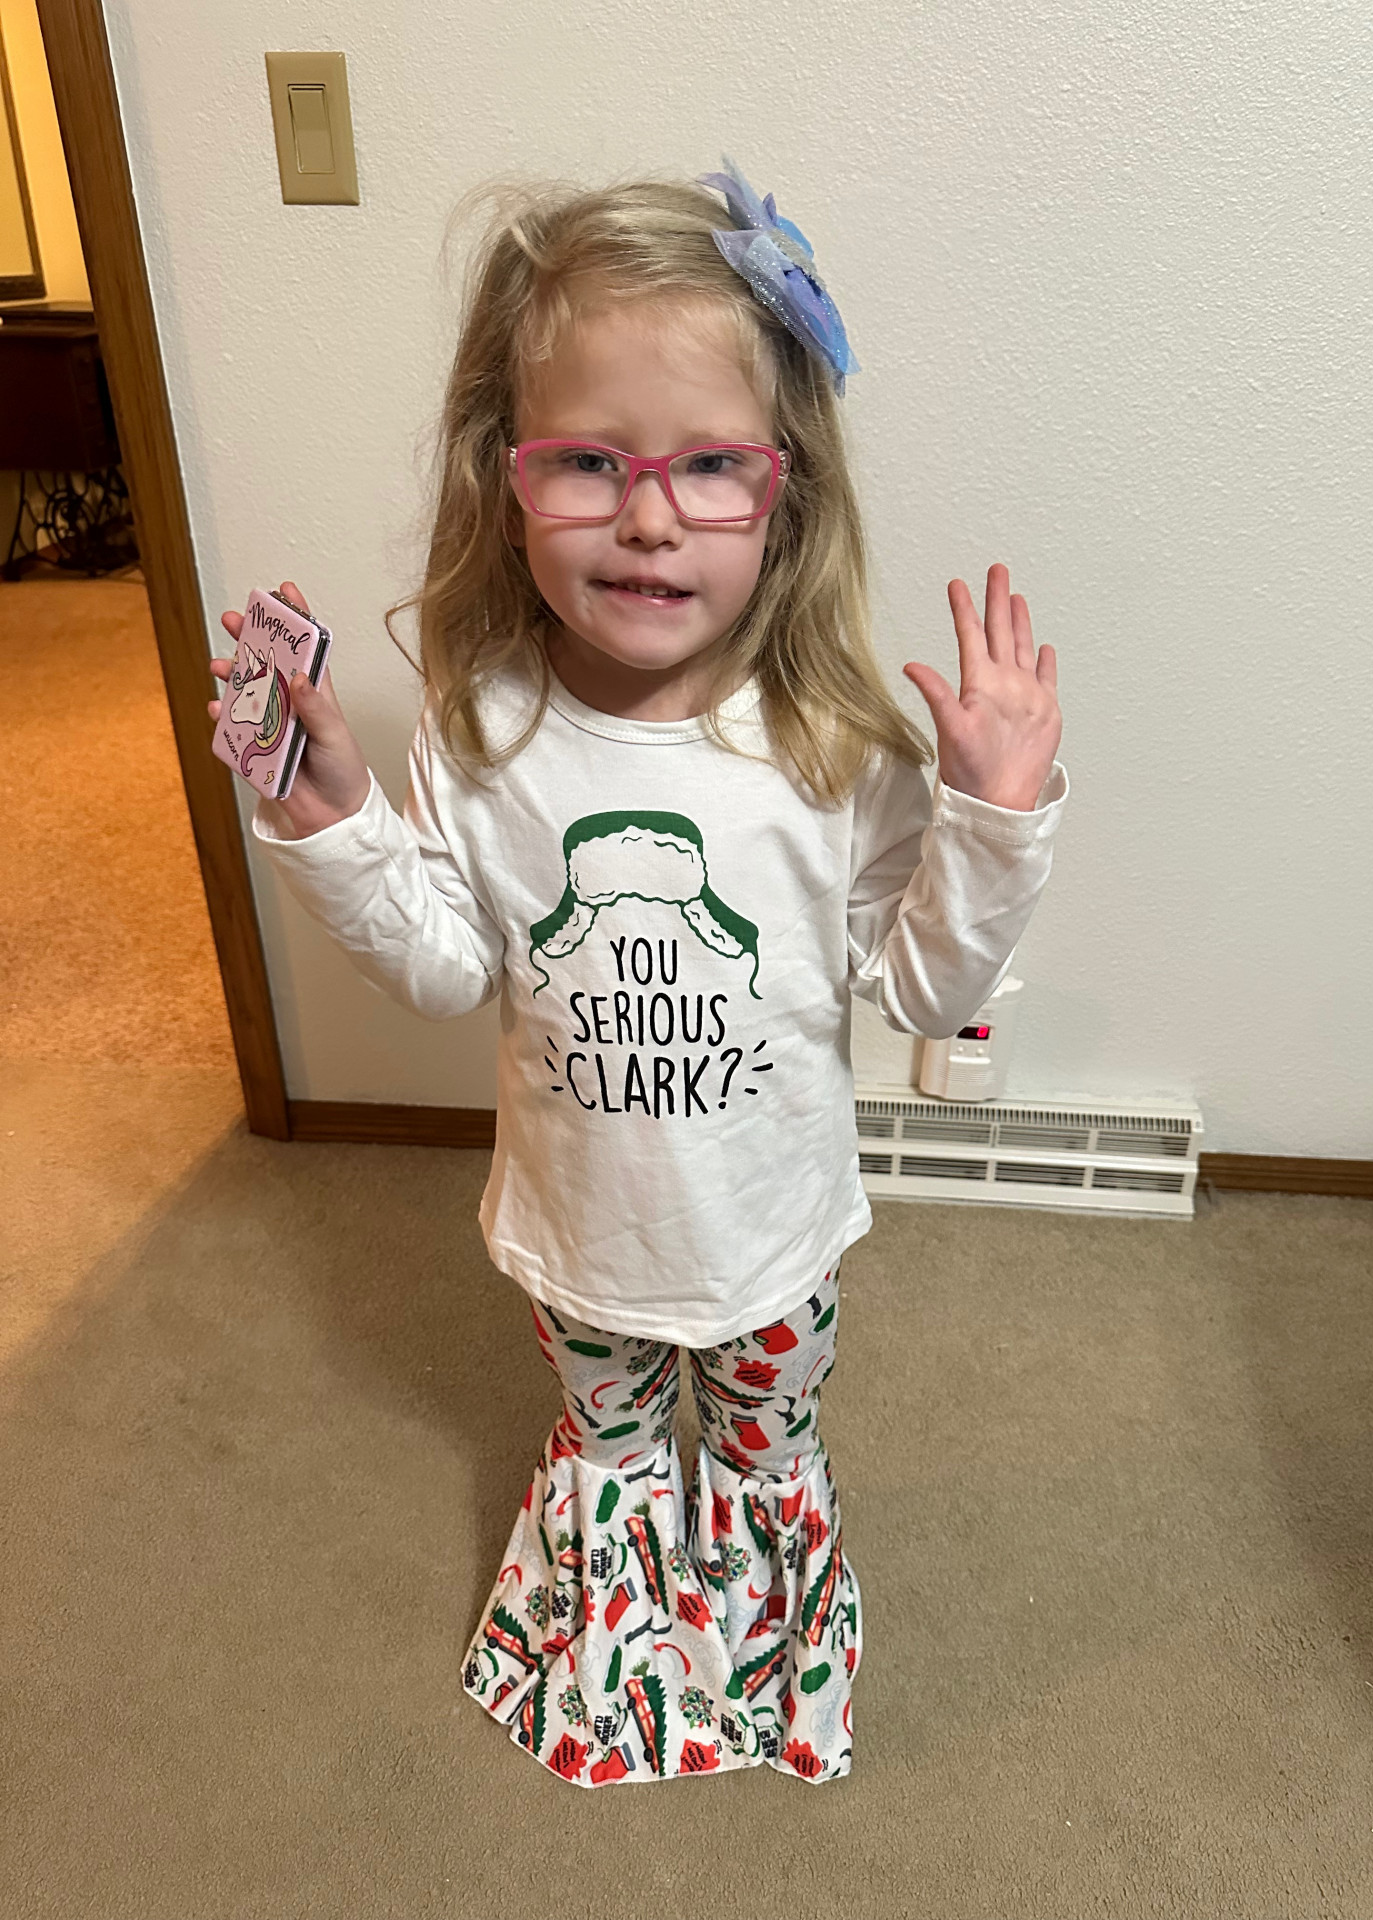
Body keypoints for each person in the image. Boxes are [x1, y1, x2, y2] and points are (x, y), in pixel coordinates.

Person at [208, 158, 1069, 1788]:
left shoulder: (829, 745)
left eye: (711, 465)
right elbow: (448, 971)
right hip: (578, 1240)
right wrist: (338, 820)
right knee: (607, 1451)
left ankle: (757, 1666)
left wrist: (993, 820)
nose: (652, 514)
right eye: (591, 461)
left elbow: (914, 987)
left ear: (787, 495)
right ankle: (613, 1667)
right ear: (506, 478)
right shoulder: (484, 733)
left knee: (761, 1451)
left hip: (774, 1239)